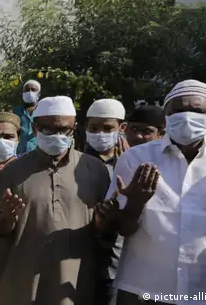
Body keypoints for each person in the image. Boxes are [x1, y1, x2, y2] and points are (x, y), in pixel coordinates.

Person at [107, 80, 206, 305]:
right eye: (178, 111)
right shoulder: (135, 158)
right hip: (143, 288)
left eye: (197, 111)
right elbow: (122, 229)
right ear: (166, 116)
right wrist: (136, 202)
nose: (186, 117)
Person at [0, 96, 111, 305]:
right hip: (23, 283)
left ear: (74, 129)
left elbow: (105, 230)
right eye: (49, 129)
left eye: (64, 130)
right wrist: (6, 218)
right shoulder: (10, 172)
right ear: (35, 129)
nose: (57, 135)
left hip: (75, 283)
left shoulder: (95, 169)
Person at [83, 98, 128, 305]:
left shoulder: (131, 162)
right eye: (94, 128)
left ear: (121, 128)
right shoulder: (76, 162)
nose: (100, 133)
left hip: (115, 261)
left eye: (107, 128)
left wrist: (126, 166)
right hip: (81, 257)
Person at [12, 80, 40, 155]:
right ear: (23, 93)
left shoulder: (43, 111)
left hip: (39, 152)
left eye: (33, 90)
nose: (30, 92)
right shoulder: (16, 111)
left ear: (39, 93)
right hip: (20, 152)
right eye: (27, 90)